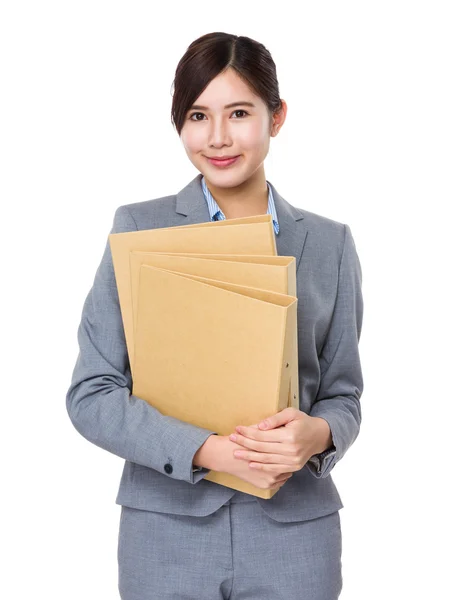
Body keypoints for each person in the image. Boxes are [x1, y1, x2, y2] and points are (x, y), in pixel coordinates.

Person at [66, 31, 364, 600]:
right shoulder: (137, 228)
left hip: (296, 532)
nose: (219, 137)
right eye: (199, 115)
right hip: (166, 530)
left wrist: (318, 434)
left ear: (276, 118)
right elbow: (92, 393)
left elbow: (343, 392)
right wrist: (211, 452)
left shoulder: (330, 244)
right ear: (178, 122)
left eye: (240, 112)